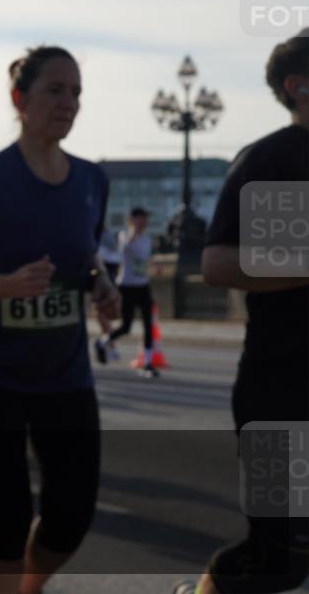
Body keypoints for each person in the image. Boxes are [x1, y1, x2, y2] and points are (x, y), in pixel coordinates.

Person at [0, 45, 120, 594]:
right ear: (19, 99)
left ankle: (28, 586)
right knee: (10, 514)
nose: (69, 103)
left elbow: (83, 256)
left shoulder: (91, 180)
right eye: (55, 91)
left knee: (71, 514)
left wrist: (101, 284)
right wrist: (4, 287)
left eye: (77, 93)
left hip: (63, 372)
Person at [173, 32, 309, 594]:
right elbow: (220, 265)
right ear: (297, 87)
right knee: (280, 557)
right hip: (284, 385)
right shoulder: (276, 159)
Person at [95, 207, 158, 377]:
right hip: (126, 286)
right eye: (141, 218)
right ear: (133, 220)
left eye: (145, 218)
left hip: (143, 285)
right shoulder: (124, 236)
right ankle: (103, 342)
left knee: (148, 324)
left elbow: (146, 260)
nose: (144, 222)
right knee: (126, 327)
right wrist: (133, 228)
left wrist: (153, 267)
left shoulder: (147, 239)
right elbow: (127, 245)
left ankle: (147, 362)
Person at [93, 226, 122, 362]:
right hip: (108, 271)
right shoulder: (107, 233)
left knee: (101, 313)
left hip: (104, 272)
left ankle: (111, 346)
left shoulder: (98, 233)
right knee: (101, 314)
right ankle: (109, 345)